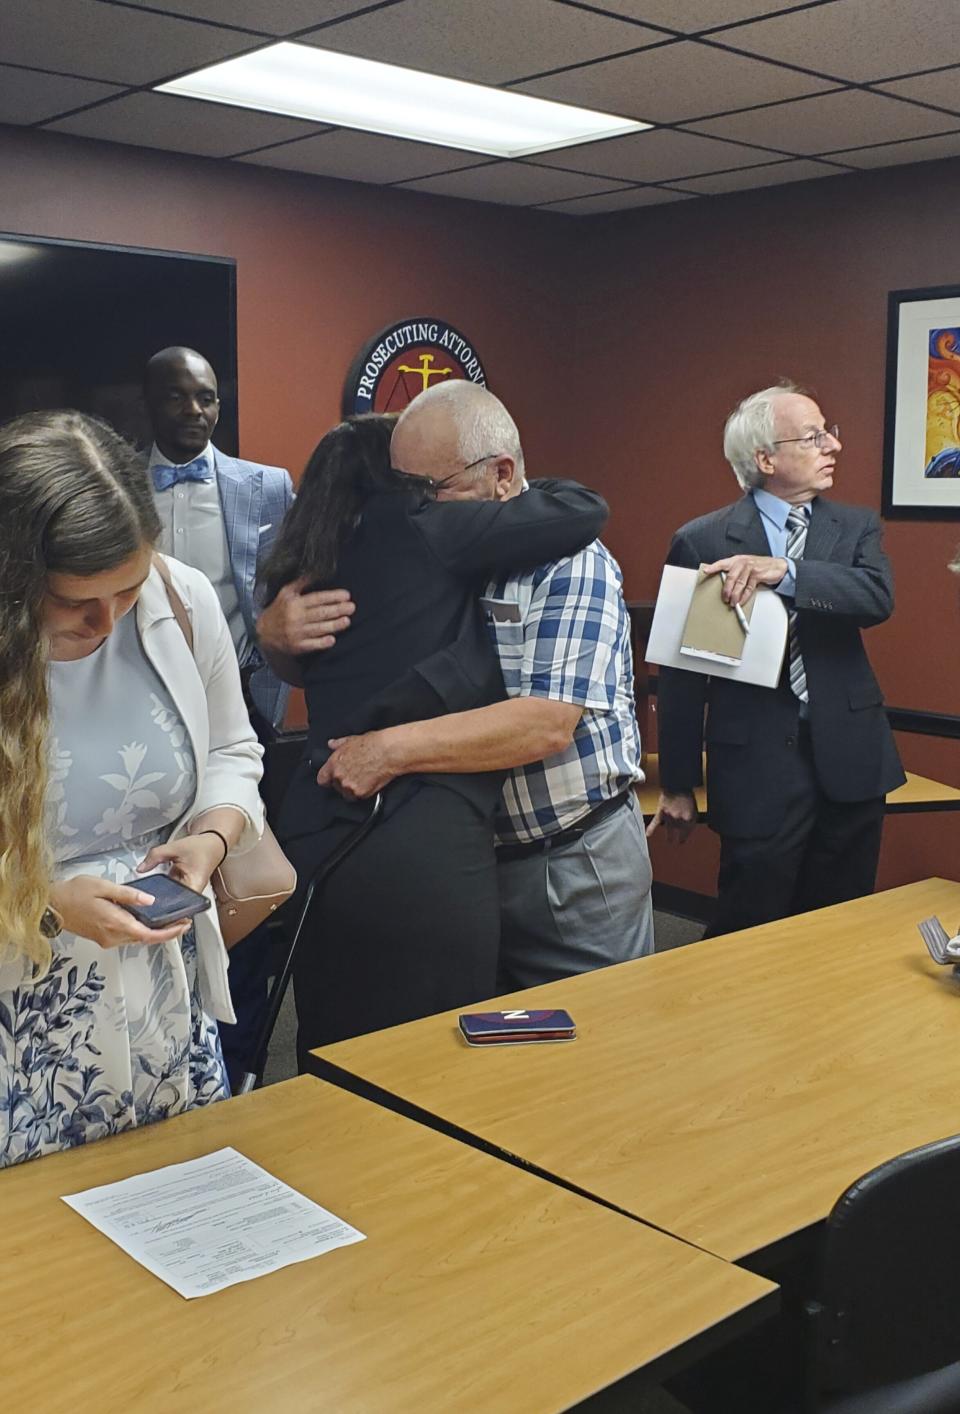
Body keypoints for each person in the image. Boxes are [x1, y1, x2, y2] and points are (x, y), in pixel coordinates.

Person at [260, 412, 608, 1066]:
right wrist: (502, 474)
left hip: (316, 829)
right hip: (413, 838)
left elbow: (295, 666)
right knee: (431, 1054)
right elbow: (583, 509)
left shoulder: (302, 560)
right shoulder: (420, 528)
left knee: (333, 1043)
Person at [311, 382, 655, 990]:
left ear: (500, 474)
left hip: (570, 860)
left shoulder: (574, 561)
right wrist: (280, 631)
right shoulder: (446, 550)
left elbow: (544, 722)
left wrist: (387, 750)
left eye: (428, 491)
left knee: (597, 1047)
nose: (412, 509)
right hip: (471, 861)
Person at [0, 410, 264, 1168]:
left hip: (157, 1002)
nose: (107, 621)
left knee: (176, 1209)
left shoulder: (179, 601)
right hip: (16, 1007)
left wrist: (209, 840)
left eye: (126, 589)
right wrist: (48, 901)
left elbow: (233, 749)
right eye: (77, 601)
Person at [649, 380, 905, 936]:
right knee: (750, 925)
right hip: (756, 768)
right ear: (765, 458)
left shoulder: (855, 526)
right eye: (814, 436)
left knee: (840, 925)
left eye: (829, 433)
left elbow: (875, 598)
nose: (833, 446)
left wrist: (786, 572)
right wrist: (677, 782)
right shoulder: (703, 540)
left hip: (852, 759)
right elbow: (683, 674)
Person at [144, 345, 294, 1087]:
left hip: (243, 713)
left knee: (246, 881)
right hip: (150, 720)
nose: (196, 412)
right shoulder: (116, 489)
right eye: (179, 398)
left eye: (207, 398)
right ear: (150, 404)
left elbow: (295, 585)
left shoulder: (266, 488)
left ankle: (242, 1060)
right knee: (159, 874)